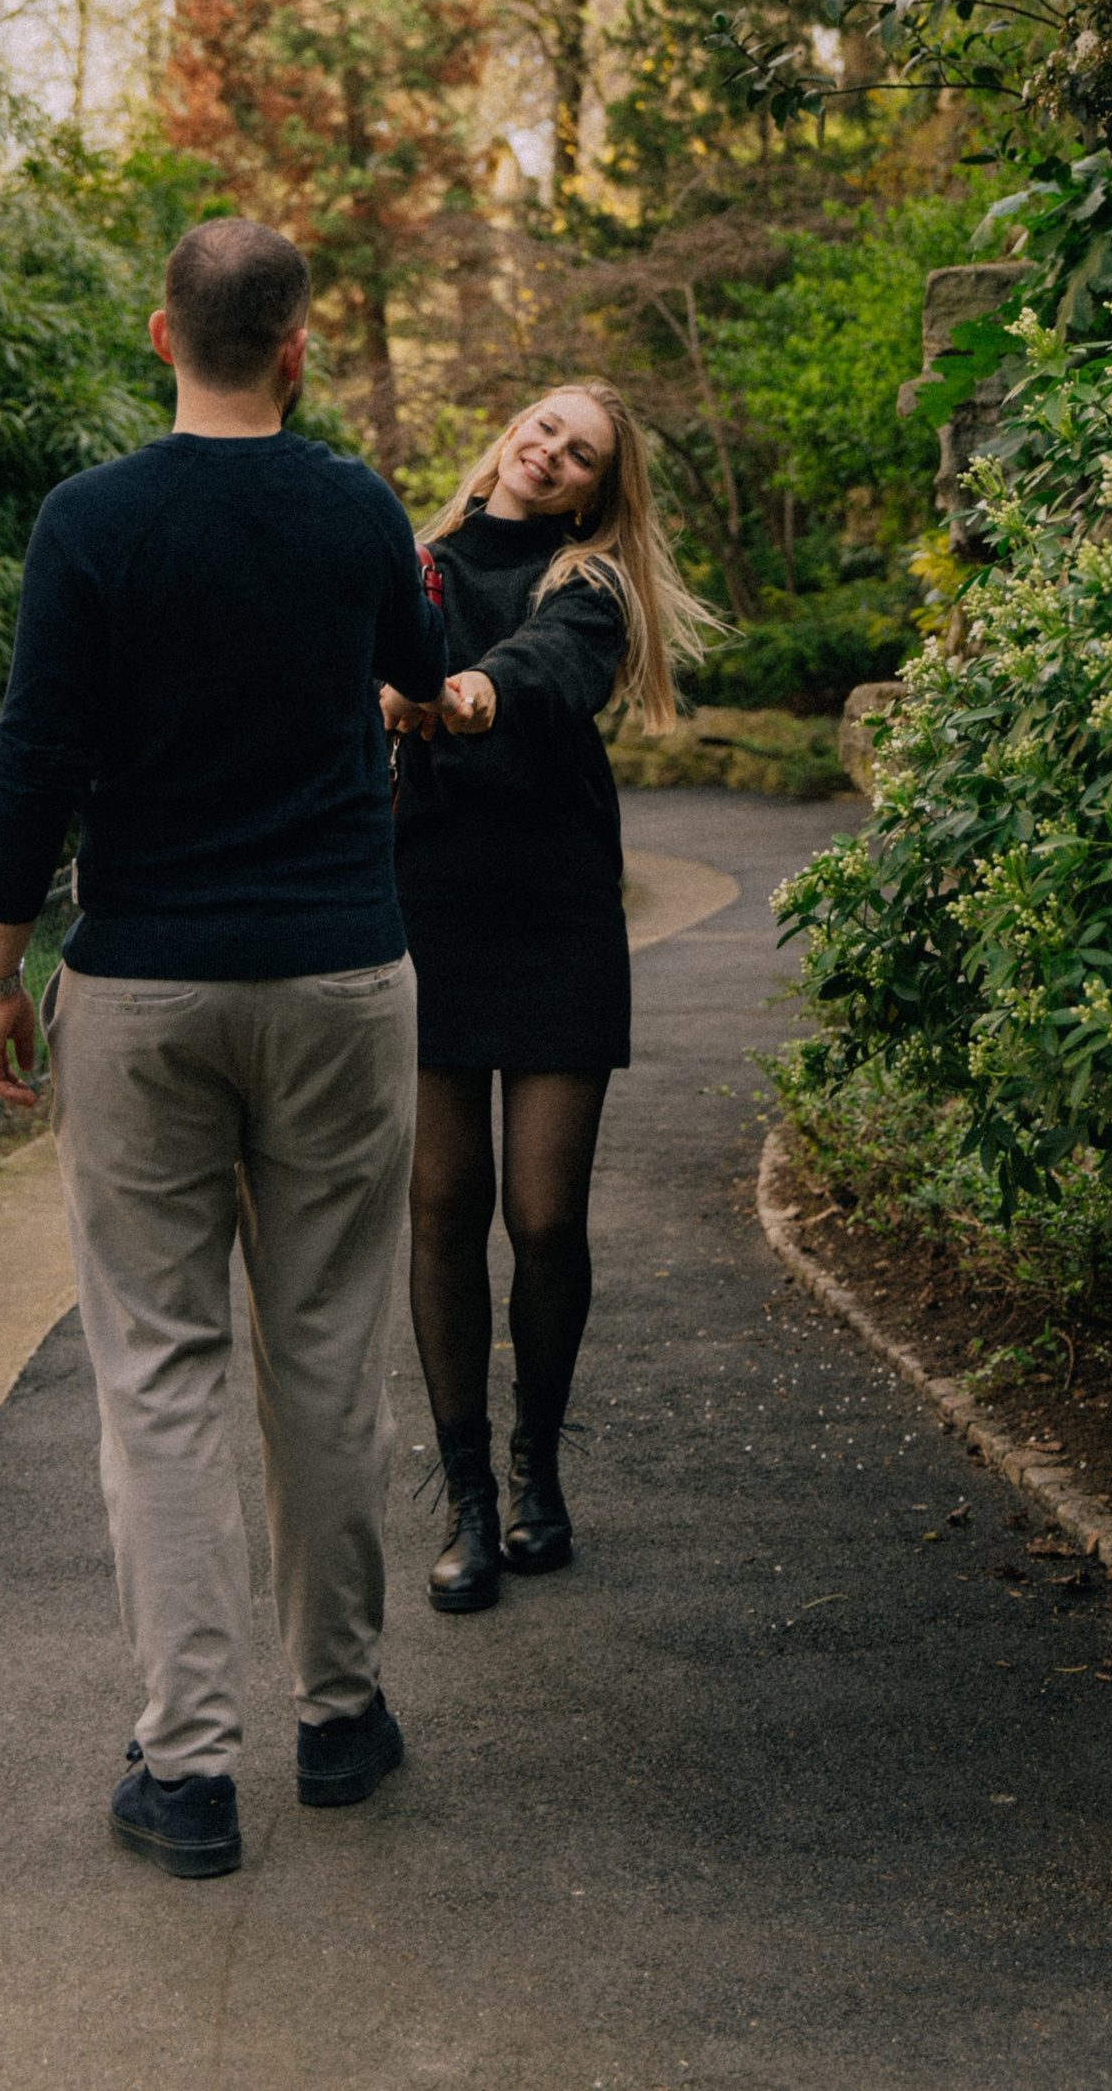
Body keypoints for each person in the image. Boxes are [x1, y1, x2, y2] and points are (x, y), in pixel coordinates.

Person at [0, 216, 448, 1883]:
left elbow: (41, 741)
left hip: (150, 984)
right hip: (336, 972)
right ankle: (337, 1717)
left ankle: (186, 1773)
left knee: (160, 1370)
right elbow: (416, 670)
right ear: (299, 347)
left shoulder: (88, 521)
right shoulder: (356, 506)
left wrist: (0, 961)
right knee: (323, 1350)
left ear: (160, 333)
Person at [381, 379, 713, 1612]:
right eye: (543, 428)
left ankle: (537, 1466)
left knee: (544, 1217)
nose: (550, 453)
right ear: (511, 428)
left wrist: (457, 695)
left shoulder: (591, 585)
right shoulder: (413, 561)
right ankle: (467, 1492)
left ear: (596, 490)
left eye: (578, 455)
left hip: (557, 914)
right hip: (429, 911)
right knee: (441, 1205)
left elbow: (545, 670)